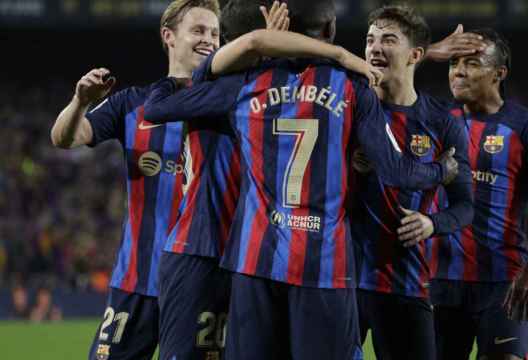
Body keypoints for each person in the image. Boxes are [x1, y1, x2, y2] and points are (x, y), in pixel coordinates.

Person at [142, 1, 459, 358]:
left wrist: (199, 70)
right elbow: (397, 173)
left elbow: (157, 107)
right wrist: (441, 171)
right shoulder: (354, 86)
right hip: (323, 266)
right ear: (330, 31)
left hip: (255, 263)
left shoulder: (245, 82)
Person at [50, 1, 221, 359]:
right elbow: (64, 138)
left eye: (215, 33)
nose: (209, 40)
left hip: (203, 285)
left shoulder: (229, 104)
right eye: (199, 30)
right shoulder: (132, 104)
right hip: (136, 282)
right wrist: (81, 101)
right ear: (168, 36)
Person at [428, 28, 528, 360]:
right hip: (439, 280)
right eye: (453, 63)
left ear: (499, 73)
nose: (459, 71)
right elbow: (378, 82)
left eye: (472, 63)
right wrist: (430, 51)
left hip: (503, 283)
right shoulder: (433, 121)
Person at [351, 5, 478, 360]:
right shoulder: (349, 109)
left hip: (405, 282)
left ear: (416, 55)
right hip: (342, 280)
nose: (375, 48)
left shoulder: (442, 122)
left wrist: (431, 223)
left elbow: (465, 205)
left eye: (388, 40)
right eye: (370, 40)